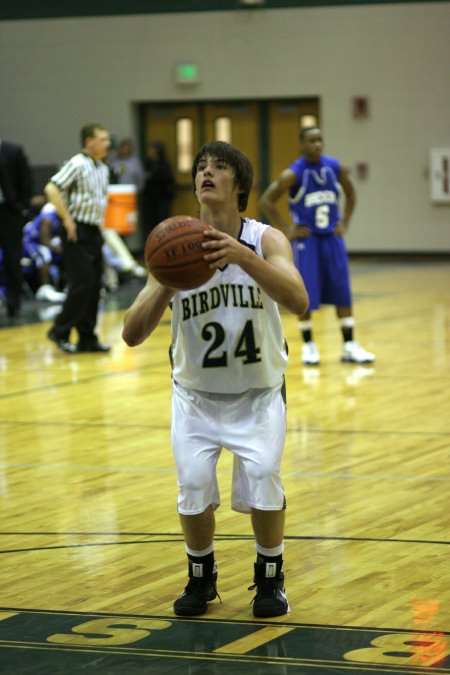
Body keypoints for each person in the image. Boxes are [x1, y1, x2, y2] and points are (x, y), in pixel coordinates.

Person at [122, 141, 309, 618]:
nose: (207, 172)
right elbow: (131, 333)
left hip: (259, 393)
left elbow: (299, 300)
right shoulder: (173, 240)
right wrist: (165, 278)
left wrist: (244, 258)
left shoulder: (267, 239)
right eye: (201, 166)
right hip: (196, 397)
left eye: (219, 166)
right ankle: (200, 578)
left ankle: (270, 580)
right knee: (193, 485)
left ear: (239, 184)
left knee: (265, 480)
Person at [259, 126, 375, 366]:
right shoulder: (293, 174)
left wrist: (345, 221)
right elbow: (266, 201)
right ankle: (309, 346)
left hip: (332, 238)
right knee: (307, 293)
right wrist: (287, 228)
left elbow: (352, 195)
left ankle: (349, 346)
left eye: (320, 140)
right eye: (312, 141)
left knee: (342, 290)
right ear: (301, 144)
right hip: (308, 241)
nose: (318, 145)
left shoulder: (335, 168)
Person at [44, 123, 112, 353]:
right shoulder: (77, 163)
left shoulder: (102, 168)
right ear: (89, 142)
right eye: (103, 139)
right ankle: (59, 330)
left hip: (93, 230)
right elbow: (51, 188)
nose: (107, 143)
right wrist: (67, 220)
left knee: (94, 286)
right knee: (82, 283)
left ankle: (87, 337)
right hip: (76, 230)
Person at [0, 138, 32, 317]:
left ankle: (14, 303)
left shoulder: (13, 150)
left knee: (13, 258)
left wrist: (23, 208)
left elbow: (26, 177)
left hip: (9, 211)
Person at [22, 202, 67, 303]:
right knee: (44, 254)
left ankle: (64, 286)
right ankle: (45, 289)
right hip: (30, 242)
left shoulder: (62, 218)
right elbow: (44, 240)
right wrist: (60, 250)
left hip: (43, 242)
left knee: (66, 254)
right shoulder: (48, 218)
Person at [141, 140, 175, 246]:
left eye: (152, 149)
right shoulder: (147, 164)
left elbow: (167, 180)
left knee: (163, 224)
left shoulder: (164, 164)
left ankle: (164, 245)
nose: (149, 152)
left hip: (162, 198)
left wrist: (153, 176)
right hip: (149, 199)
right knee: (149, 225)